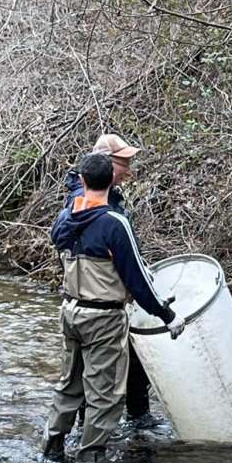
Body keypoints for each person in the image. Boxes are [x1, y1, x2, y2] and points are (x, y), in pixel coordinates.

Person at [43, 153, 185, 463]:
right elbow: (137, 280)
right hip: (104, 318)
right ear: (111, 180)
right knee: (104, 393)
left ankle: (52, 449)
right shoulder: (114, 223)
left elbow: (60, 245)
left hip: (70, 311)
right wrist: (167, 316)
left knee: (69, 385)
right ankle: (91, 460)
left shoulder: (65, 217)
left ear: (82, 181)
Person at [62, 133, 163, 428]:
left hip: (97, 300)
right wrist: (163, 312)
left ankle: (135, 418)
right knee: (93, 371)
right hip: (98, 301)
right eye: (123, 163)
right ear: (105, 164)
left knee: (124, 360)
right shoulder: (84, 200)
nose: (128, 170)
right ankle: (93, 434)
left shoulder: (102, 197)